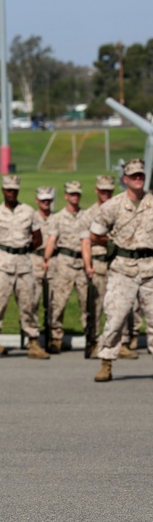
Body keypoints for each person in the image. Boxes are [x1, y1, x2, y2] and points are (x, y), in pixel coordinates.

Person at [0, 175, 49, 360]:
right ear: (3, 191)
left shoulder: (28, 211)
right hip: (1, 264)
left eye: (14, 190)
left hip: (24, 263)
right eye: (8, 190)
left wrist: (25, 248)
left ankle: (33, 342)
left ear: (18, 191)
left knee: (29, 304)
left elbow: (38, 238)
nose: (11, 193)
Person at [90, 159, 153, 382]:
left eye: (141, 175)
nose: (138, 178)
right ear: (125, 179)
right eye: (133, 175)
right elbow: (95, 234)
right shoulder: (113, 206)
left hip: (150, 268)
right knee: (115, 318)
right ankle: (106, 362)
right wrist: (113, 243)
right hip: (123, 269)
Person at [80, 175, 137, 359]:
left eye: (109, 190)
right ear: (96, 190)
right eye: (102, 190)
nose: (106, 194)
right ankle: (96, 342)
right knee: (96, 306)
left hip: (119, 263)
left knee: (122, 304)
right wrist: (88, 265)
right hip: (98, 263)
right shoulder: (89, 214)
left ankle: (123, 343)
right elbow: (86, 242)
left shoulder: (121, 209)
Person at [41, 181, 90, 354]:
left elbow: (87, 242)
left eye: (77, 194)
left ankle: (90, 337)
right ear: (66, 196)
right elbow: (52, 240)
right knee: (58, 302)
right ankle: (56, 338)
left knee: (87, 303)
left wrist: (89, 265)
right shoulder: (58, 218)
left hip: (82, 263)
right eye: (72, 194)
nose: (75, 197)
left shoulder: (86, 216)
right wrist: (46, 258)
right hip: (64, 262)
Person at [31, 186, 55, 339]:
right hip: (34, 260)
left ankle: (53, 335)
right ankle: (32, 335)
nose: (45, 202)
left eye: (48, 200)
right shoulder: (31, 217)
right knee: (33, 300)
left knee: (54, 301)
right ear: (37, 200)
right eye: (42, 200)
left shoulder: (56, 218)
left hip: (53, 261)